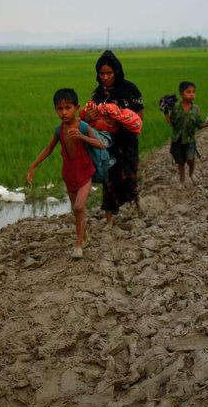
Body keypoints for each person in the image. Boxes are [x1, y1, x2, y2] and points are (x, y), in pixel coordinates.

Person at [26, 88, 107, 259]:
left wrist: (82, 137)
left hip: (85, 174)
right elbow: (48, 149)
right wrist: (33, 165)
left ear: (76, 107)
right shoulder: (59, 130)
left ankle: (78, 244)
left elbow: (101, 145)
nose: (64, 112)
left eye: (68, 108)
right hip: (69, 176)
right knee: (77, 211)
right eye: (60, 109)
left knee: (78, 207)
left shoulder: (83, 127)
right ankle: (84, 234)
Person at [91, 50, 144, 226]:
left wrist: (121, 119)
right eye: (102, 73)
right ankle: (109, 220)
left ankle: (136, 200)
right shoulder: (98, 94)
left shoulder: (130, 90)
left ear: (117, 71)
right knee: (109, 179)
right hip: (107, 145)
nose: (105, 77)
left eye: (109, 73)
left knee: (129, 177)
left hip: (127, 142)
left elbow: (140, 115)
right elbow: (91, 118)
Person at [166, 81, 208, 184]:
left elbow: (198, 124)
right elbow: (172, 123)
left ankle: (191, 174)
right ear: (181, 94)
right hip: (177, 139)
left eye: (193, 92)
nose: (191, 94)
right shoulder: (176, 108)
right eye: (188, 92)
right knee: (180, 162)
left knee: (191, 159)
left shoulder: (196, 109)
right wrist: (165, 113)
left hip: (190, 140)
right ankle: (182, 180)